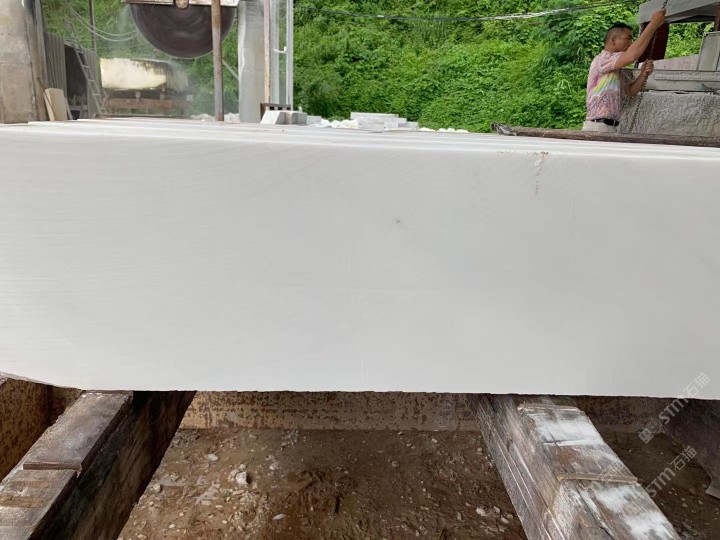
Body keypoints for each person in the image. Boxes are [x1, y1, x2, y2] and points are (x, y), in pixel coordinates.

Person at [583, 9, 667, 133]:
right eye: (628, 38)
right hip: (598, 126)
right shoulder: (603, 59)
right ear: (613, 40)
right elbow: (632, 56)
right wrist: (653, 24)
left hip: (611, 127)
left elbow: (631, 91)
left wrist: (643, 74)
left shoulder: (617, 70)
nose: (630, 43)